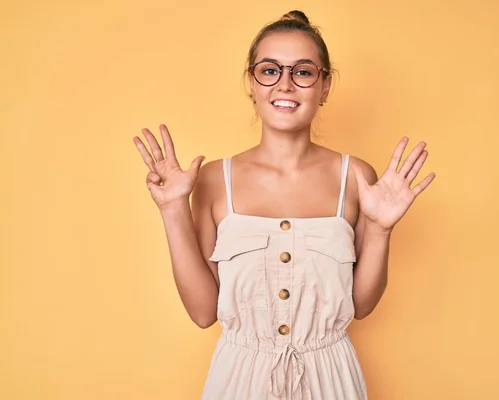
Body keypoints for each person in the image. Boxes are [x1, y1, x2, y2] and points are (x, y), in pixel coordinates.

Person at [133, 9, 435, 400]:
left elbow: (361, 306)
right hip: (239, 380)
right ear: (252, 83)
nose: (286, 85)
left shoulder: (356, 177)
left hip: (332, 380)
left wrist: (380, 229)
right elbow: (203, 312)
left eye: (304, 72)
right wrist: (172, 209)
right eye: (270, 70)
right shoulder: (211, 179)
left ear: (324, 87)